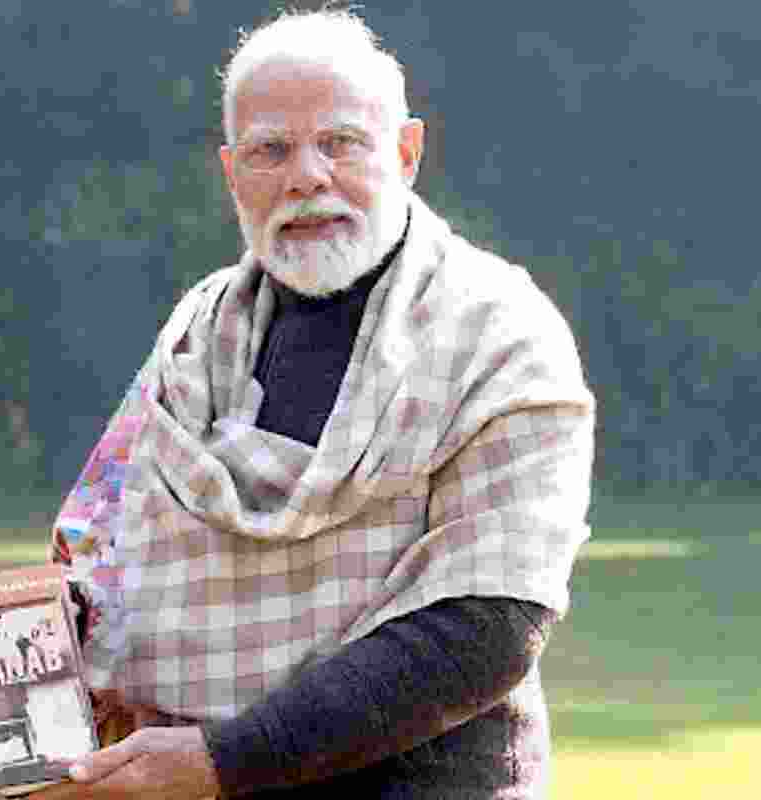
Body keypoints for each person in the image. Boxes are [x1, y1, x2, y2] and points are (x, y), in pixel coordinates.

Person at [43, 9, 595, 799]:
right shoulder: (198, 331)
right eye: (272, 150)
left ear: (406, 152)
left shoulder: (502, 334)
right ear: (233, 173)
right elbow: (96, 551)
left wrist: (222, 761)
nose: (307, 176)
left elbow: (491, 622)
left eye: (340, 142)